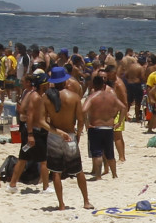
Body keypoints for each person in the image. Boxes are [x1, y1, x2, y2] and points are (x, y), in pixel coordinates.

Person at [45, 71, 92, 209]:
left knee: (56, 171)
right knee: (78, 170)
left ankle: (61, 204)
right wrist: (78, 134)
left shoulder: (46, 98)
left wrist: (55, 130)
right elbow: (80, 119)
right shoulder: (74, 97)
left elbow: (43, 120)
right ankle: (86, 201)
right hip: (70, 134)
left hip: (54, 135)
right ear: (65, 82)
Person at [83, 73, 123, 180]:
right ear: (103, 85)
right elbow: (123, 107)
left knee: (97, 153)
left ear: (94, 86)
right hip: (109, 127)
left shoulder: (92, 97)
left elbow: (83, 110)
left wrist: (86, 123)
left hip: (96, 127)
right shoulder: (111, 96)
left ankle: (98, 176)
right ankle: (114, 174)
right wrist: (119, 121)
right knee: (110, 153)